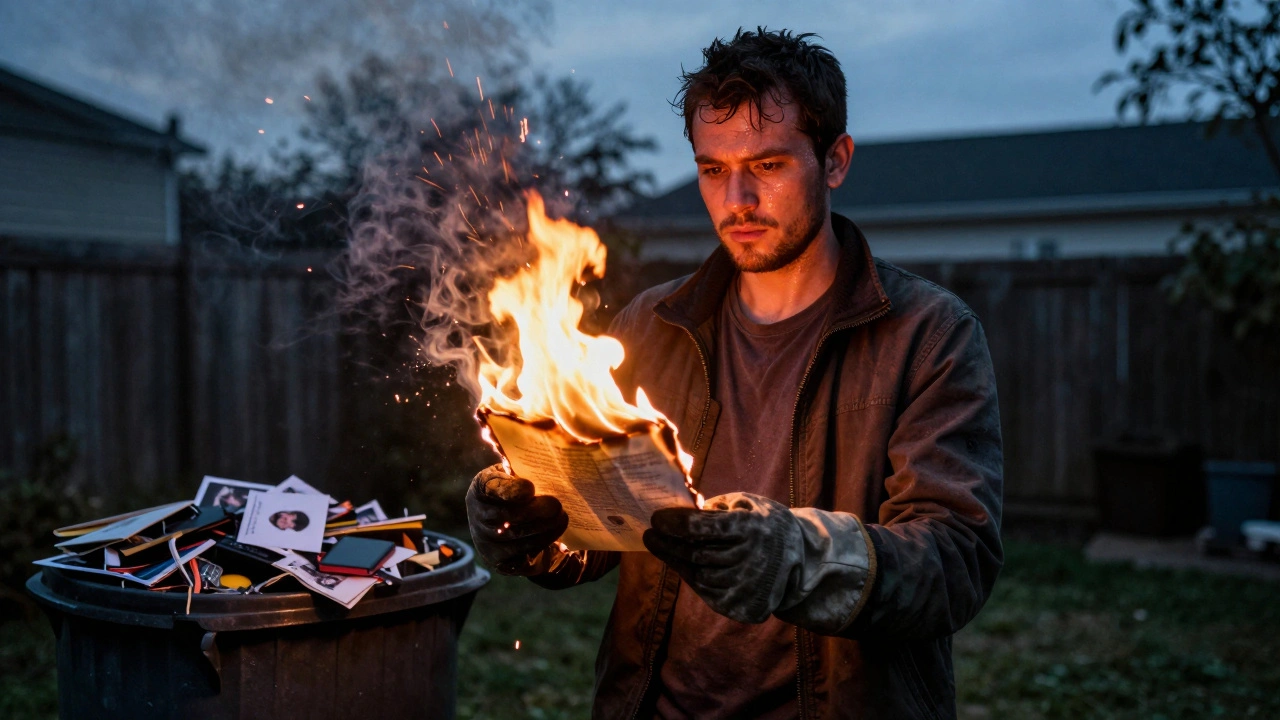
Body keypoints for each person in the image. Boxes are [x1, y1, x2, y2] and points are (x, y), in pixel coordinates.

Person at [467, 28, 1003, 719]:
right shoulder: (652, 328)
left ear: (835, 161)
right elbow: (599, 539)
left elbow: (955, 561)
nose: (738, 198)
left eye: (770, 165)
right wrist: (532, 530)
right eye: (714, 170)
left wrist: (793, 557)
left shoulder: (928, 336)